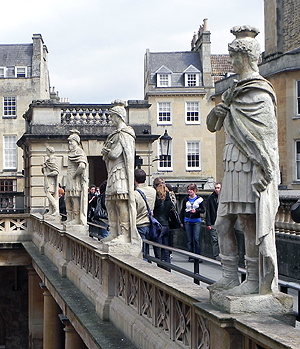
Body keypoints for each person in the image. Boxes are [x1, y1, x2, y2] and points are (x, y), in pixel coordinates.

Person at [206, 26, 280, 296]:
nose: (231, 61)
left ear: (246, 58)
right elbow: (212, 125)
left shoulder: (259, 92)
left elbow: (266, 137)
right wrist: (220, 109)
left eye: (234, 57)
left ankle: (252, 280)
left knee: (248, 222)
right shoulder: (232, 90)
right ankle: (229, 276)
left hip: (249, 165)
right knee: (223, 223)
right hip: (231, 163)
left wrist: (264, 167)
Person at [101, 100, 140, 244]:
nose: (111, 119)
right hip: (113, 172)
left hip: (121, 173)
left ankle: (124, 233)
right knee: (110, 203)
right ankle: (114, 232)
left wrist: (107, 151)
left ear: (119, 116)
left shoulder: (125, 133)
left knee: (120, 202)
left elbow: (115, 153)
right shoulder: (115, 134)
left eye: (112, 116)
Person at [65, 130, 88, 226]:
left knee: (75, 198)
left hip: (75, 179)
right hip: (70, 178)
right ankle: (70, 217)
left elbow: (82, 165)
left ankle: (76, 217)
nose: (70, 143)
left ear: (77, 142)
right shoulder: (71, 152)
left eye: (71, 141)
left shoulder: (79, 151)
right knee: (68, 198)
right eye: (69, 141)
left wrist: (75, 175)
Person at [134, 169, 157, 258]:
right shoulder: (153, 191)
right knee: (146, 251)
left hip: (139, 224)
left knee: (141, 252)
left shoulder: (135, 194)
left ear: (134, 179)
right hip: (150, 223)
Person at [180, 183, 205, 262]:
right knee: (189, 239)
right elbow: (182, 210)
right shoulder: (185, 199)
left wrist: (196, 211)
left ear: (194, 190)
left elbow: (203, 210)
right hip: (187, 221)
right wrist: (181, 221)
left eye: (191, 190)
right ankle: (191, 256)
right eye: (188, 190)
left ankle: (197, 256)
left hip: (196, 221)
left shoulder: (200, 199)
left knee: (196, 239)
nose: (189, 191)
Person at [153, 183, 173, 270]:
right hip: (166, 226)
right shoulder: (169, 201)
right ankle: (168, 268)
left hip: (158, 226)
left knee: (158, 250)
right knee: (166, 250)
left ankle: (160, 268)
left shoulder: (156, 201)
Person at [41, 145, 59, 218]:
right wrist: (43, 168)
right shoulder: (48, 161)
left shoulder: (52, 160)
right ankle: (51, 210)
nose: (46, 152)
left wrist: (47, 174)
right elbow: (44, 171)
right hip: (47, 180)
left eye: (46, 151)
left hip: (51, 181)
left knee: (49, 194)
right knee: (49, 195)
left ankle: (56, 209)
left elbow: (56, 172)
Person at [206, 182, 222, 260]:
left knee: (222, 240)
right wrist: (208, 223)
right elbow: (208, 211)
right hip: (213, 221)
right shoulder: (211, 198)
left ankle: (222, 254)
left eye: (218, 188)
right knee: (215, 240)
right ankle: (216, 256)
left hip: (223, 222)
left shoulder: (224, 197)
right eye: (215, 188)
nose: (216, 189)